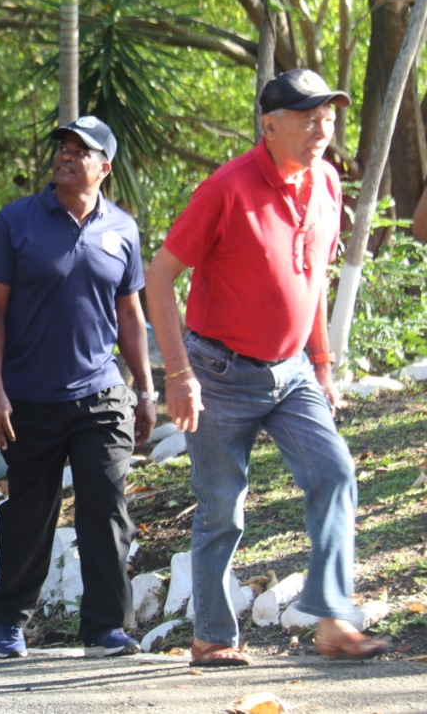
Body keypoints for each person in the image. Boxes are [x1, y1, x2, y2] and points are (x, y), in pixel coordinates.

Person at [146, 68, 392, 666]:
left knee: (334, 474)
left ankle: (332, 619)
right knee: (222, 509)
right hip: (218, 372)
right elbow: (159, 275)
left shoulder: (327, 181)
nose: (321, 130)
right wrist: (178, 374)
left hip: (293, 371)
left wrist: (323, 363)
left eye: (327, 118)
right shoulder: (226, 188)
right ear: (269, 126)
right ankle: (211, 637)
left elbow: (312, 279)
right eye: (307, 119)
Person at [0, 116, 156, 661]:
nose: (67, 156)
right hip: (29, 398)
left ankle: (105, 628)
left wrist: (146, 391)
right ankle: (10, 619)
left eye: (82, 150)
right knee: (30, 513)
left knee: (106, 506)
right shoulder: (16, 222)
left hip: (102, 394)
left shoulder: (122, 229)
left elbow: (130, 314)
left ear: (105, 167)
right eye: (64, 148)